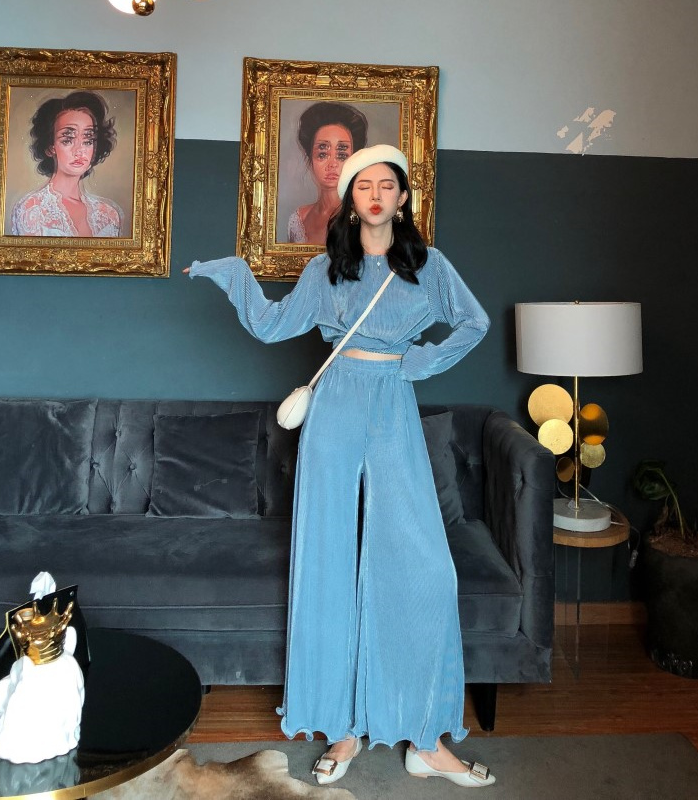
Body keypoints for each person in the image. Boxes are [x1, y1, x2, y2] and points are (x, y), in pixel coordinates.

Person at [185, 144, 495, 789]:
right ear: (349, 200)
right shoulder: (324, 271)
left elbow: (474, 322)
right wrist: (235, 274)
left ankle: (425, 739)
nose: (375, 195)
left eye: (387, 186)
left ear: (402, 199)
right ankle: (343, 729)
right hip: (334, 411)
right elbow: (271, 326)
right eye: (363, 186)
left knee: (424, 569)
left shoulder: (430, 267)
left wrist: (419, 362)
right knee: (330, 563)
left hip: (393, 405)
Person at [11, 90, 122, 237]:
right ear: (50, 147)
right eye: (67, 140)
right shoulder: (32, 209)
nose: (79, 150)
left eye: (88, 140)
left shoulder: (108, 215)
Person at [286, 101, 367, 245]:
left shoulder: (365, 217)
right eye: (322, 154)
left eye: (342, 155)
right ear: (310, 158)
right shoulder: (298, 219)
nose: (332, 164)